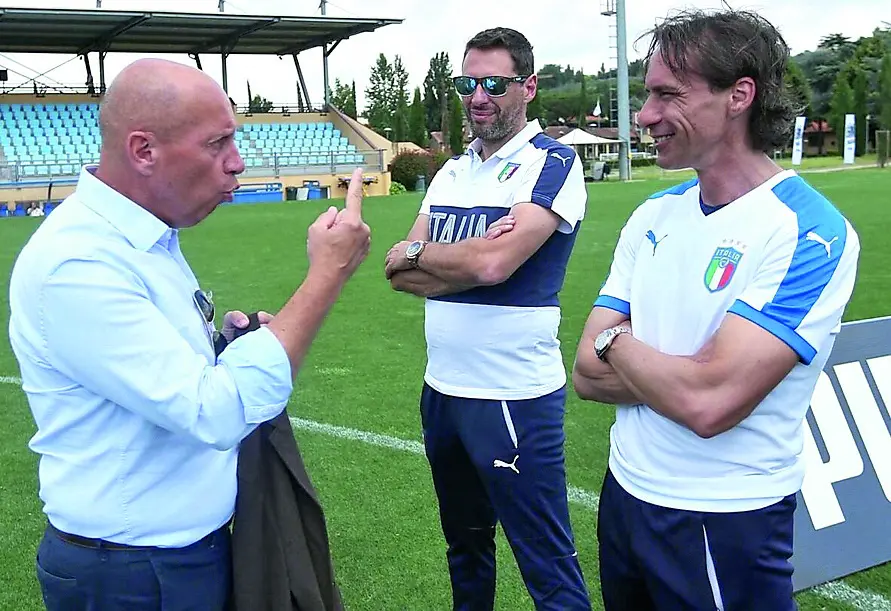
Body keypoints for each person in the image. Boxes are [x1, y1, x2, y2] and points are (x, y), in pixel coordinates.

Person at [7, 58, 370, 611]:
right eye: (216, 143)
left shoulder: (139, 240)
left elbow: (166, 377)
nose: (237, 163)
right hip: (133, 572)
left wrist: (227, 347)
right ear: (144, 151)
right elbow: (213, 412)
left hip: (166, 556)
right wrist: (327, 274)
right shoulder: (77, 262)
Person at [570, 9, 861, 610]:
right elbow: (585, 375)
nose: (645, 116)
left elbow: (708, 404)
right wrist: (679, 370)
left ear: (739, 96)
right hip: (624, 496)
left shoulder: (809, 232)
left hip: (725, 517)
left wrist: (616, 343)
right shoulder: (654, 213)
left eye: (666, 95)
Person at [384, 27, 591, 611]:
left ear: (526, 87)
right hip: (442, 390)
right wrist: (463, 259)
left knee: (545, 563)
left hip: (512, 396)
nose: (478, 96)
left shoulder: (550, 163)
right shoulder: (451, 172)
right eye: (467, 83)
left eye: (494, 84)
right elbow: (398, 271)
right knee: (465, 547)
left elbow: (496, 263)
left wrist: (434, 257)